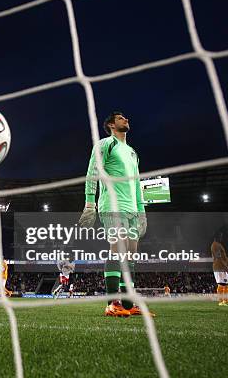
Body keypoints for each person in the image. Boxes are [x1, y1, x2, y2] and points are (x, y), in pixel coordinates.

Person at [79, 111, 152, 317]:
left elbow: (137, 185)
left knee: (130, 255)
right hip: (111, 205)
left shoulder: (132, 152)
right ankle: (112, 303)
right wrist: (89, 204)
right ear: (111, 125)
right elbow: (92, 173)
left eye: (126, 118)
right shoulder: (104, 144)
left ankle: (128, 305)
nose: (126, 119)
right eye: (121, 118)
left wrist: (142, 212)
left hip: (131, 209)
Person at [211, 232, 228, 306]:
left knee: (226, 284)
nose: (221, 238)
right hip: (219, 267)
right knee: (221, 284)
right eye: (220, 236)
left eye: (221, 236)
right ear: (215, 237)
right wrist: (226, 268)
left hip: (223, 267)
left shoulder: (219, 244)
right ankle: (221, 301)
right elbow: (218, 257)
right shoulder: (215, 245)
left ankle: (226, 301)